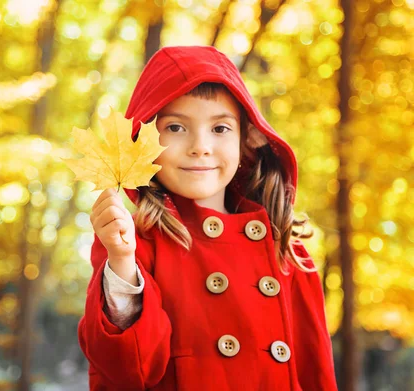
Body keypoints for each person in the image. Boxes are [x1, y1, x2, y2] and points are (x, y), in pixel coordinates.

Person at [77, 45, 338, 391]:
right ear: (141, 142)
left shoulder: (287, 250)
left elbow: (316, 369)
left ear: (249, 138)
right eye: (175, 127)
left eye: (220, 129)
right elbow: (128, 370)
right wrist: (123, 262)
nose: (200, 146)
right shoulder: (134, 241)